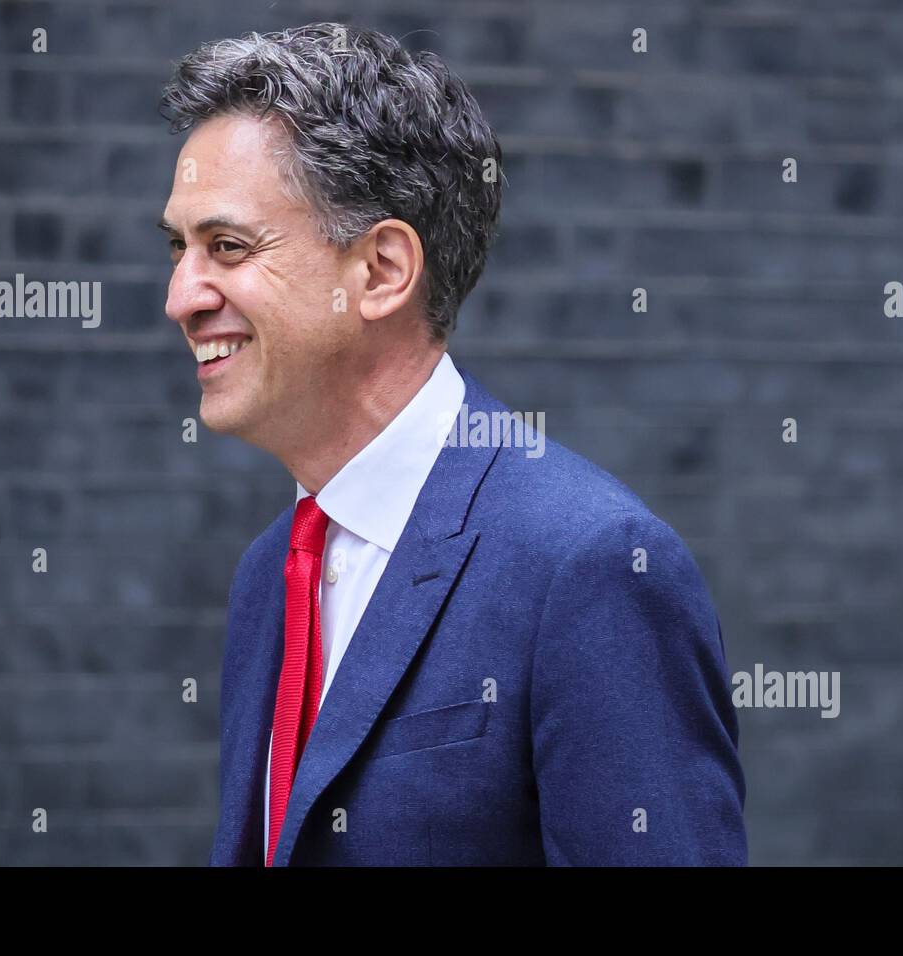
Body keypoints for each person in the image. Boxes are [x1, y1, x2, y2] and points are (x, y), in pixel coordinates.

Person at [158, 22, 746, 866]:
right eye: (178, 248)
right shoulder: (269, 572)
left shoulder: (591, 565)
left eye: (227, 247)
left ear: (384, 271)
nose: (182, 296)